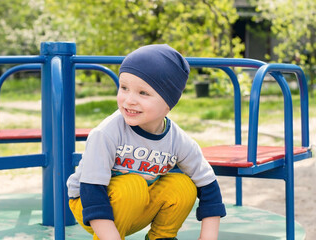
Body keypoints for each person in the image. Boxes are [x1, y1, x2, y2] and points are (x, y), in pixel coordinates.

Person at [67, 44, 226, 240]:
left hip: (139, 202)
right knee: (131, 186)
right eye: (124, 88)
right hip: (89, 204)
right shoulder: (107, 133)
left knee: (183, 185)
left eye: (143, 93)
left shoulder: (178, 140)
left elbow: (208, 185)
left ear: (168, 104)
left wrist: (208, 237)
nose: (129, 100)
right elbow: (91, 189)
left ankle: (162, 237)